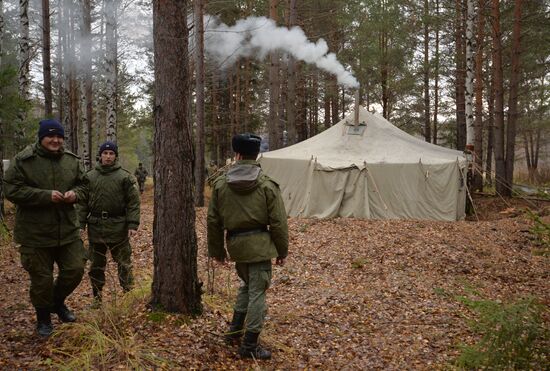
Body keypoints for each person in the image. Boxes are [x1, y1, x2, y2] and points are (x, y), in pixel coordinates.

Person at [207, 133, 288, 360]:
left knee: (246, 286)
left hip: (236, 245)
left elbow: (213, 221)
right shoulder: (266, 185)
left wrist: (217, 252)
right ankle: (249, 345)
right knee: (257, 293)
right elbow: (279, 222)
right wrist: (282, 251)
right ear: (256, 155)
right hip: (260, 246)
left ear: (237, 154)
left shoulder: (221, 185)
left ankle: (234, 332)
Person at [3, 119, 86, 337]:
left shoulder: (71, 161)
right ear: (41, 137)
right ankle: (43, 319)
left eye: (59, 136)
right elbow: (11, 189)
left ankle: (56, 303)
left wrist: (76, 194)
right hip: (34, 234)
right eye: (51, 136)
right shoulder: (24, 160)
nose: (56, 140)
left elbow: (85, 186)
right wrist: (45, 196)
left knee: (75, 270)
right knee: (42, 280)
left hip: (67, 230)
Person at [79, 141, 140, 304]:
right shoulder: (90, 177)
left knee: (124, 264)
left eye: (111, 153)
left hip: (118, 226)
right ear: (100, 155)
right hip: (96, 227)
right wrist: (80, 224)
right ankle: (97, 299)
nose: (108, 156)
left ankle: (129, 298)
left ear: (115, 156)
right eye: (105, 153)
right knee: (96, 266)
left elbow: (133, 202)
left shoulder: (125, 177)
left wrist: (133, 224)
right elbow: (82, 203)